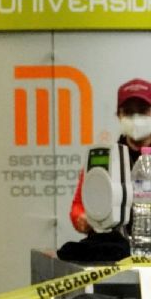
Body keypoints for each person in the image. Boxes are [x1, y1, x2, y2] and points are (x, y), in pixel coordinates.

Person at [62, 79, 151, 261]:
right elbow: (79, 205)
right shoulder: (105, 156)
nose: (135, 118)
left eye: (142, 111)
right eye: (128, 112)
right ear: (118, 115)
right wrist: (82, 218)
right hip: (114, 257)